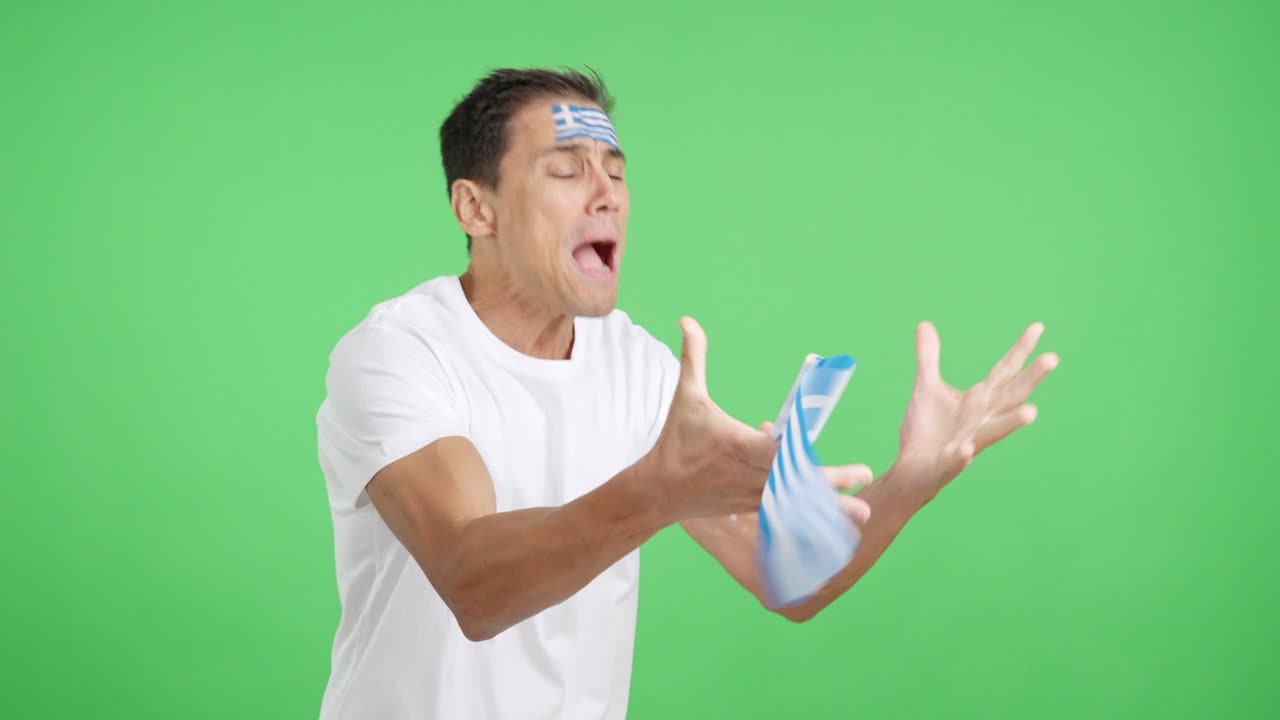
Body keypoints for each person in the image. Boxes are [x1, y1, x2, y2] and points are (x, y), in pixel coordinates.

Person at [314, 67, 1059, 719]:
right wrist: (659, 493)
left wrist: (907, 485)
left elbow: (788, 581)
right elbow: (473, 583)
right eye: (567, 170)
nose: (606, 192)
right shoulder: (399, 356)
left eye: (615, 168)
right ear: (476, 209)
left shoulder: (637, 367)